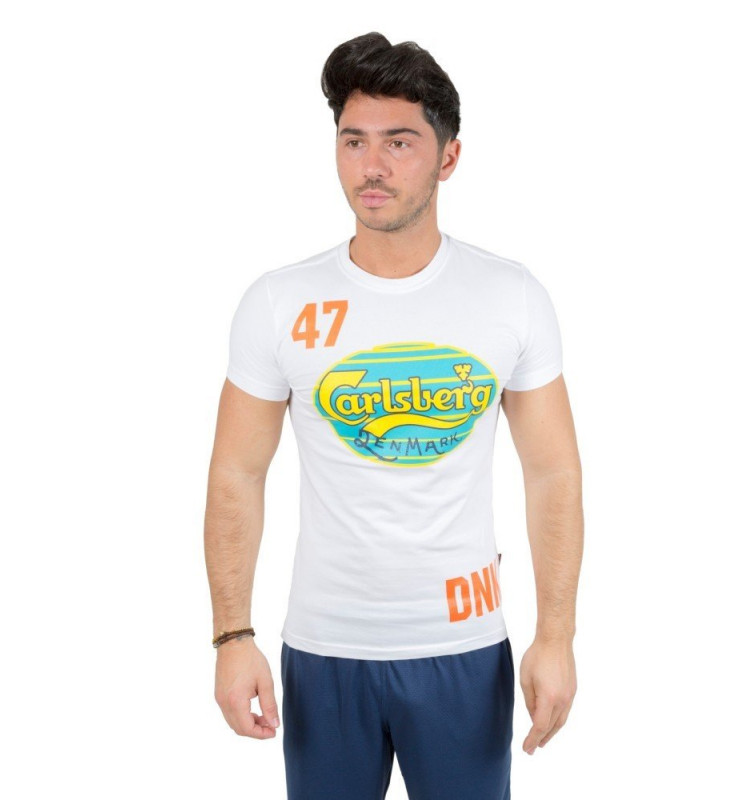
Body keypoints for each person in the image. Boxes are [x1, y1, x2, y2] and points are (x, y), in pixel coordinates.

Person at [204, 31, 584, 800]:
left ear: (449, 157)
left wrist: (556, 636)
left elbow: (552, 473)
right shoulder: (279, 303)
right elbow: (236, 473)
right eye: (354, 141)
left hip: (463, 649)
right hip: (325, 650)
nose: (370, 166)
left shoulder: (510, 297)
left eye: (399, 142)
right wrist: (232, 636)